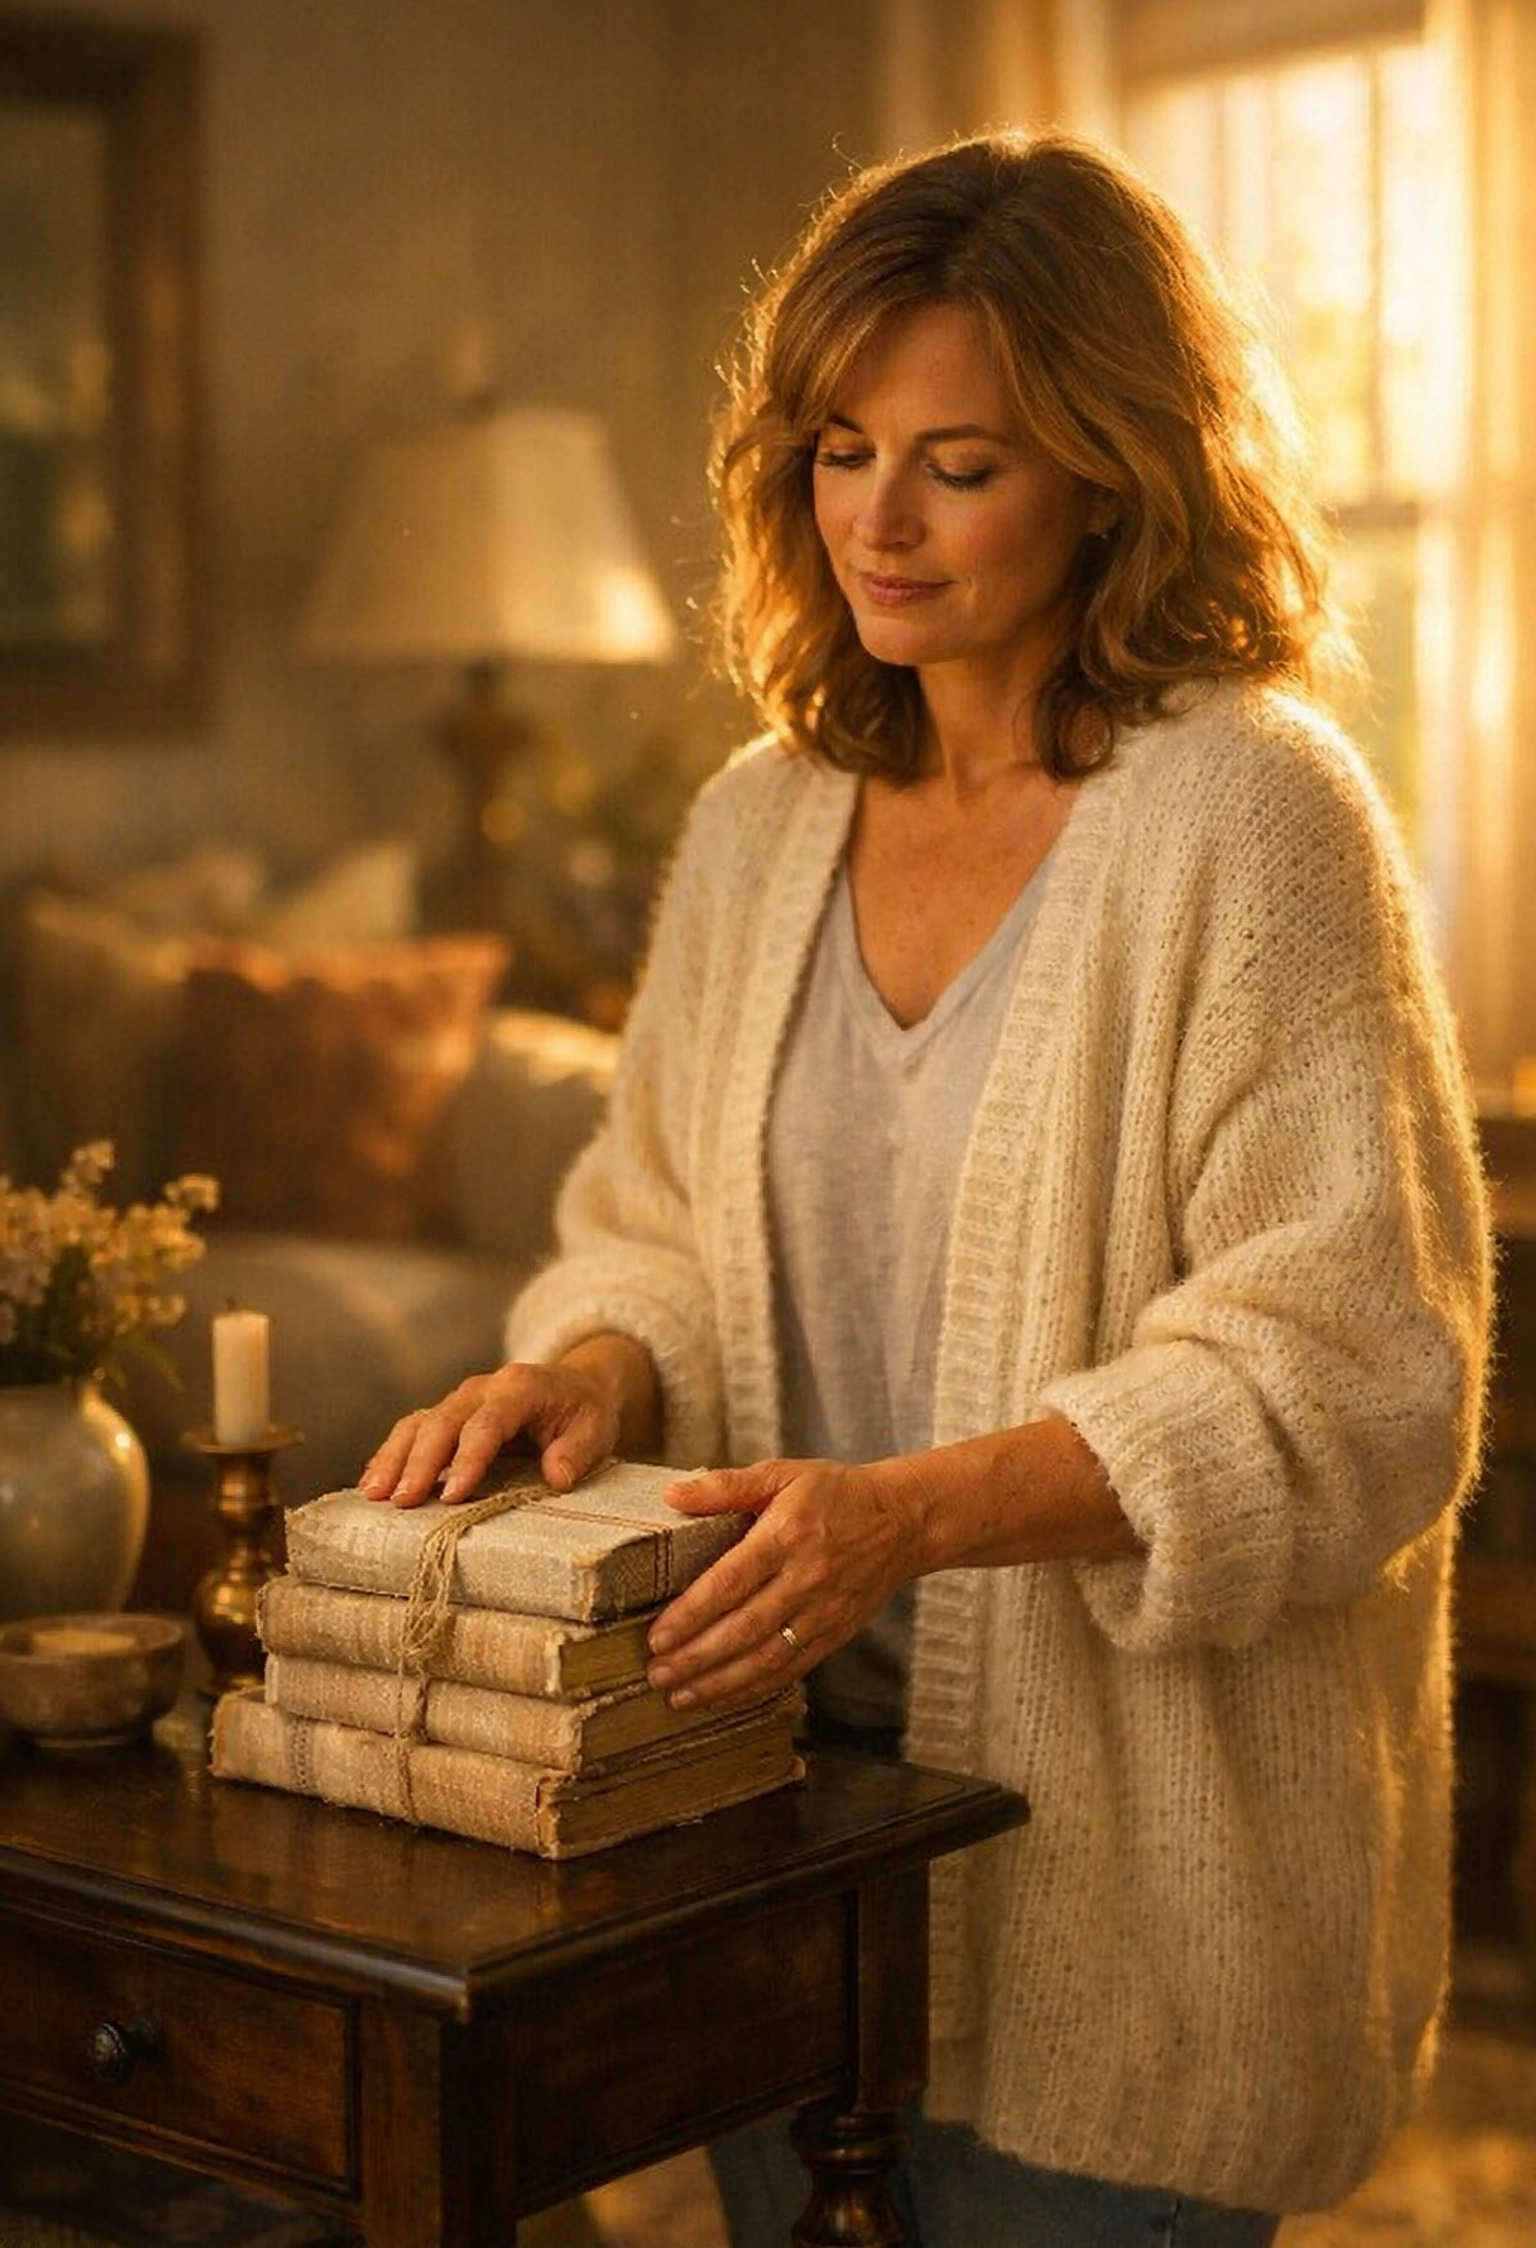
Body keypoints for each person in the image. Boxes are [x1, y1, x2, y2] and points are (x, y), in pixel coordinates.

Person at [358, 130, 1491, 2246]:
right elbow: (655, 1224)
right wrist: (597, 1366)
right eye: (841, 448)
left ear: (1108, 470)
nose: (879, 517)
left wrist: (914, 1519)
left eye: (959, 463)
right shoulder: (764, 823)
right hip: (767, 1846)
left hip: (1134, 1897)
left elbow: (1360, 1380)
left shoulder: (1255, 818)